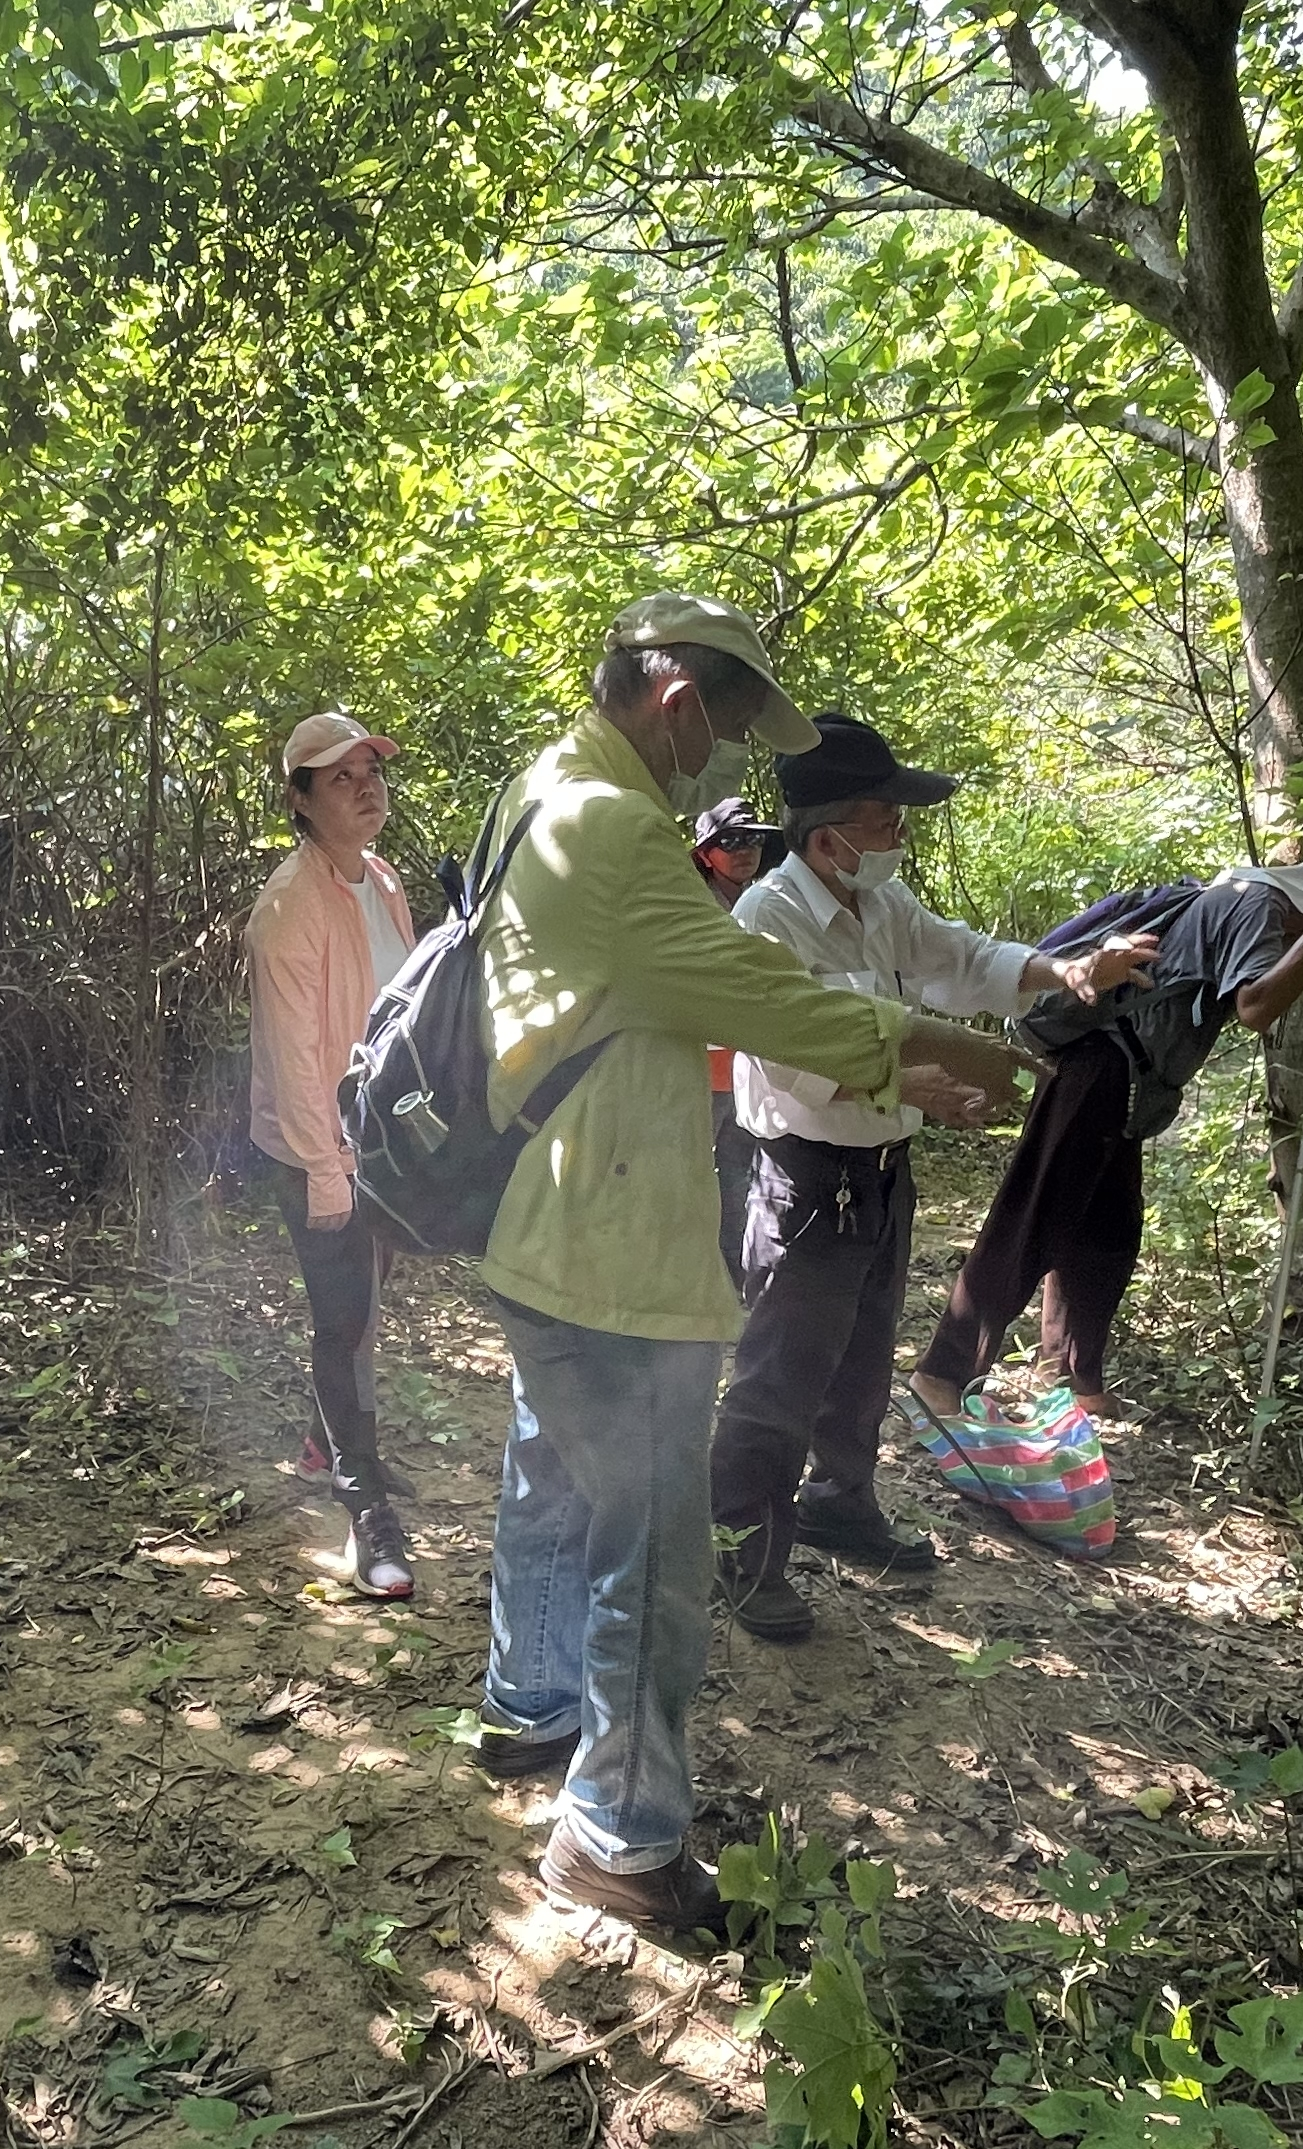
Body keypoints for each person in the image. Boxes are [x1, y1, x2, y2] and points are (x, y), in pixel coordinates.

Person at [462, 594, 1027, 1937]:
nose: (716, 764)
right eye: (718, 729)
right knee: (653, 1542)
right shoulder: (609, 823)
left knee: (549, 1466)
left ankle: (527, 1700)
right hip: (613, 1234)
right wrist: (929, 1050)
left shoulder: (534, 785)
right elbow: (741, 985)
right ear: (674, 699)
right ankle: (618, 1832)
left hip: (537, 1207)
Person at [711, 715, 1156, 1640]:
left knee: (865, 1349)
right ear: (830, 836)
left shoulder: (881, 902)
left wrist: (1065, 971)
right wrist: (909, 1083)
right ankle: (746, 1539)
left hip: (877, 1168)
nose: (899, 836)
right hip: (804, 1176)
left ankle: (842, 1498)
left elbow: (958, 958)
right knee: (784, 1367)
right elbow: (788, 1048)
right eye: (886, 819)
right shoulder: (771, 915)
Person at [911, 851, 1303, 1429]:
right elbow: (1256, 1007)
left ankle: (1069, 1373)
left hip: (1127, 1080)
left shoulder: (1254, 898)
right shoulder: (1258, 902)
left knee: (1107, 1234)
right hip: (1099, 1069)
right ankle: (941, 1372)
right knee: (1032, 1220)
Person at [242, 711, 421, 1599]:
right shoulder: (287, 910)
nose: (363, 787)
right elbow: (294, 1057)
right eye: (339, 778)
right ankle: (367, 1510)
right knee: (343, 1319)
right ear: (300, 801)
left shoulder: (382, 882)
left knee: (369, 1301)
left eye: (370, 771)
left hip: (382, 1141)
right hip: (321, 1146)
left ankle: (328, 1444)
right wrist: (326, 1170)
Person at [689, 800, 784, 1287]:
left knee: (739, 1175)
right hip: (695, 1066)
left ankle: (729, 1272)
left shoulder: (767, 902)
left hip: (745, 1066)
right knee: (686, 1171)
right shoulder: (688, 903)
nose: (744, 850)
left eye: (753, 840)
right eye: (730, 841)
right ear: (706, 853)